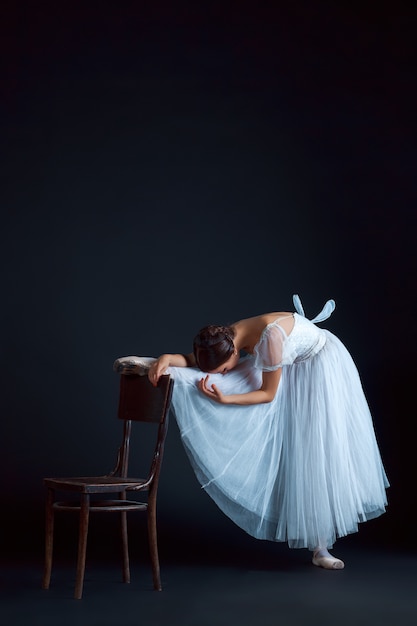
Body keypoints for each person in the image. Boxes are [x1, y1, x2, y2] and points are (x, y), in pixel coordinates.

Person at [148, 295, 389, 570]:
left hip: (319, 367)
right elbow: (194, 360)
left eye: (224, 368)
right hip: (293, 366)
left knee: (316, 451)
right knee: (295, 448)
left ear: (234, 354)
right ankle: (318, 544)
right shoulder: (227, 337)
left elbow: (267, 393)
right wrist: (166, 358)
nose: (224, 372)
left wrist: (225, 401)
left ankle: (321, 546)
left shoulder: (270, 340)